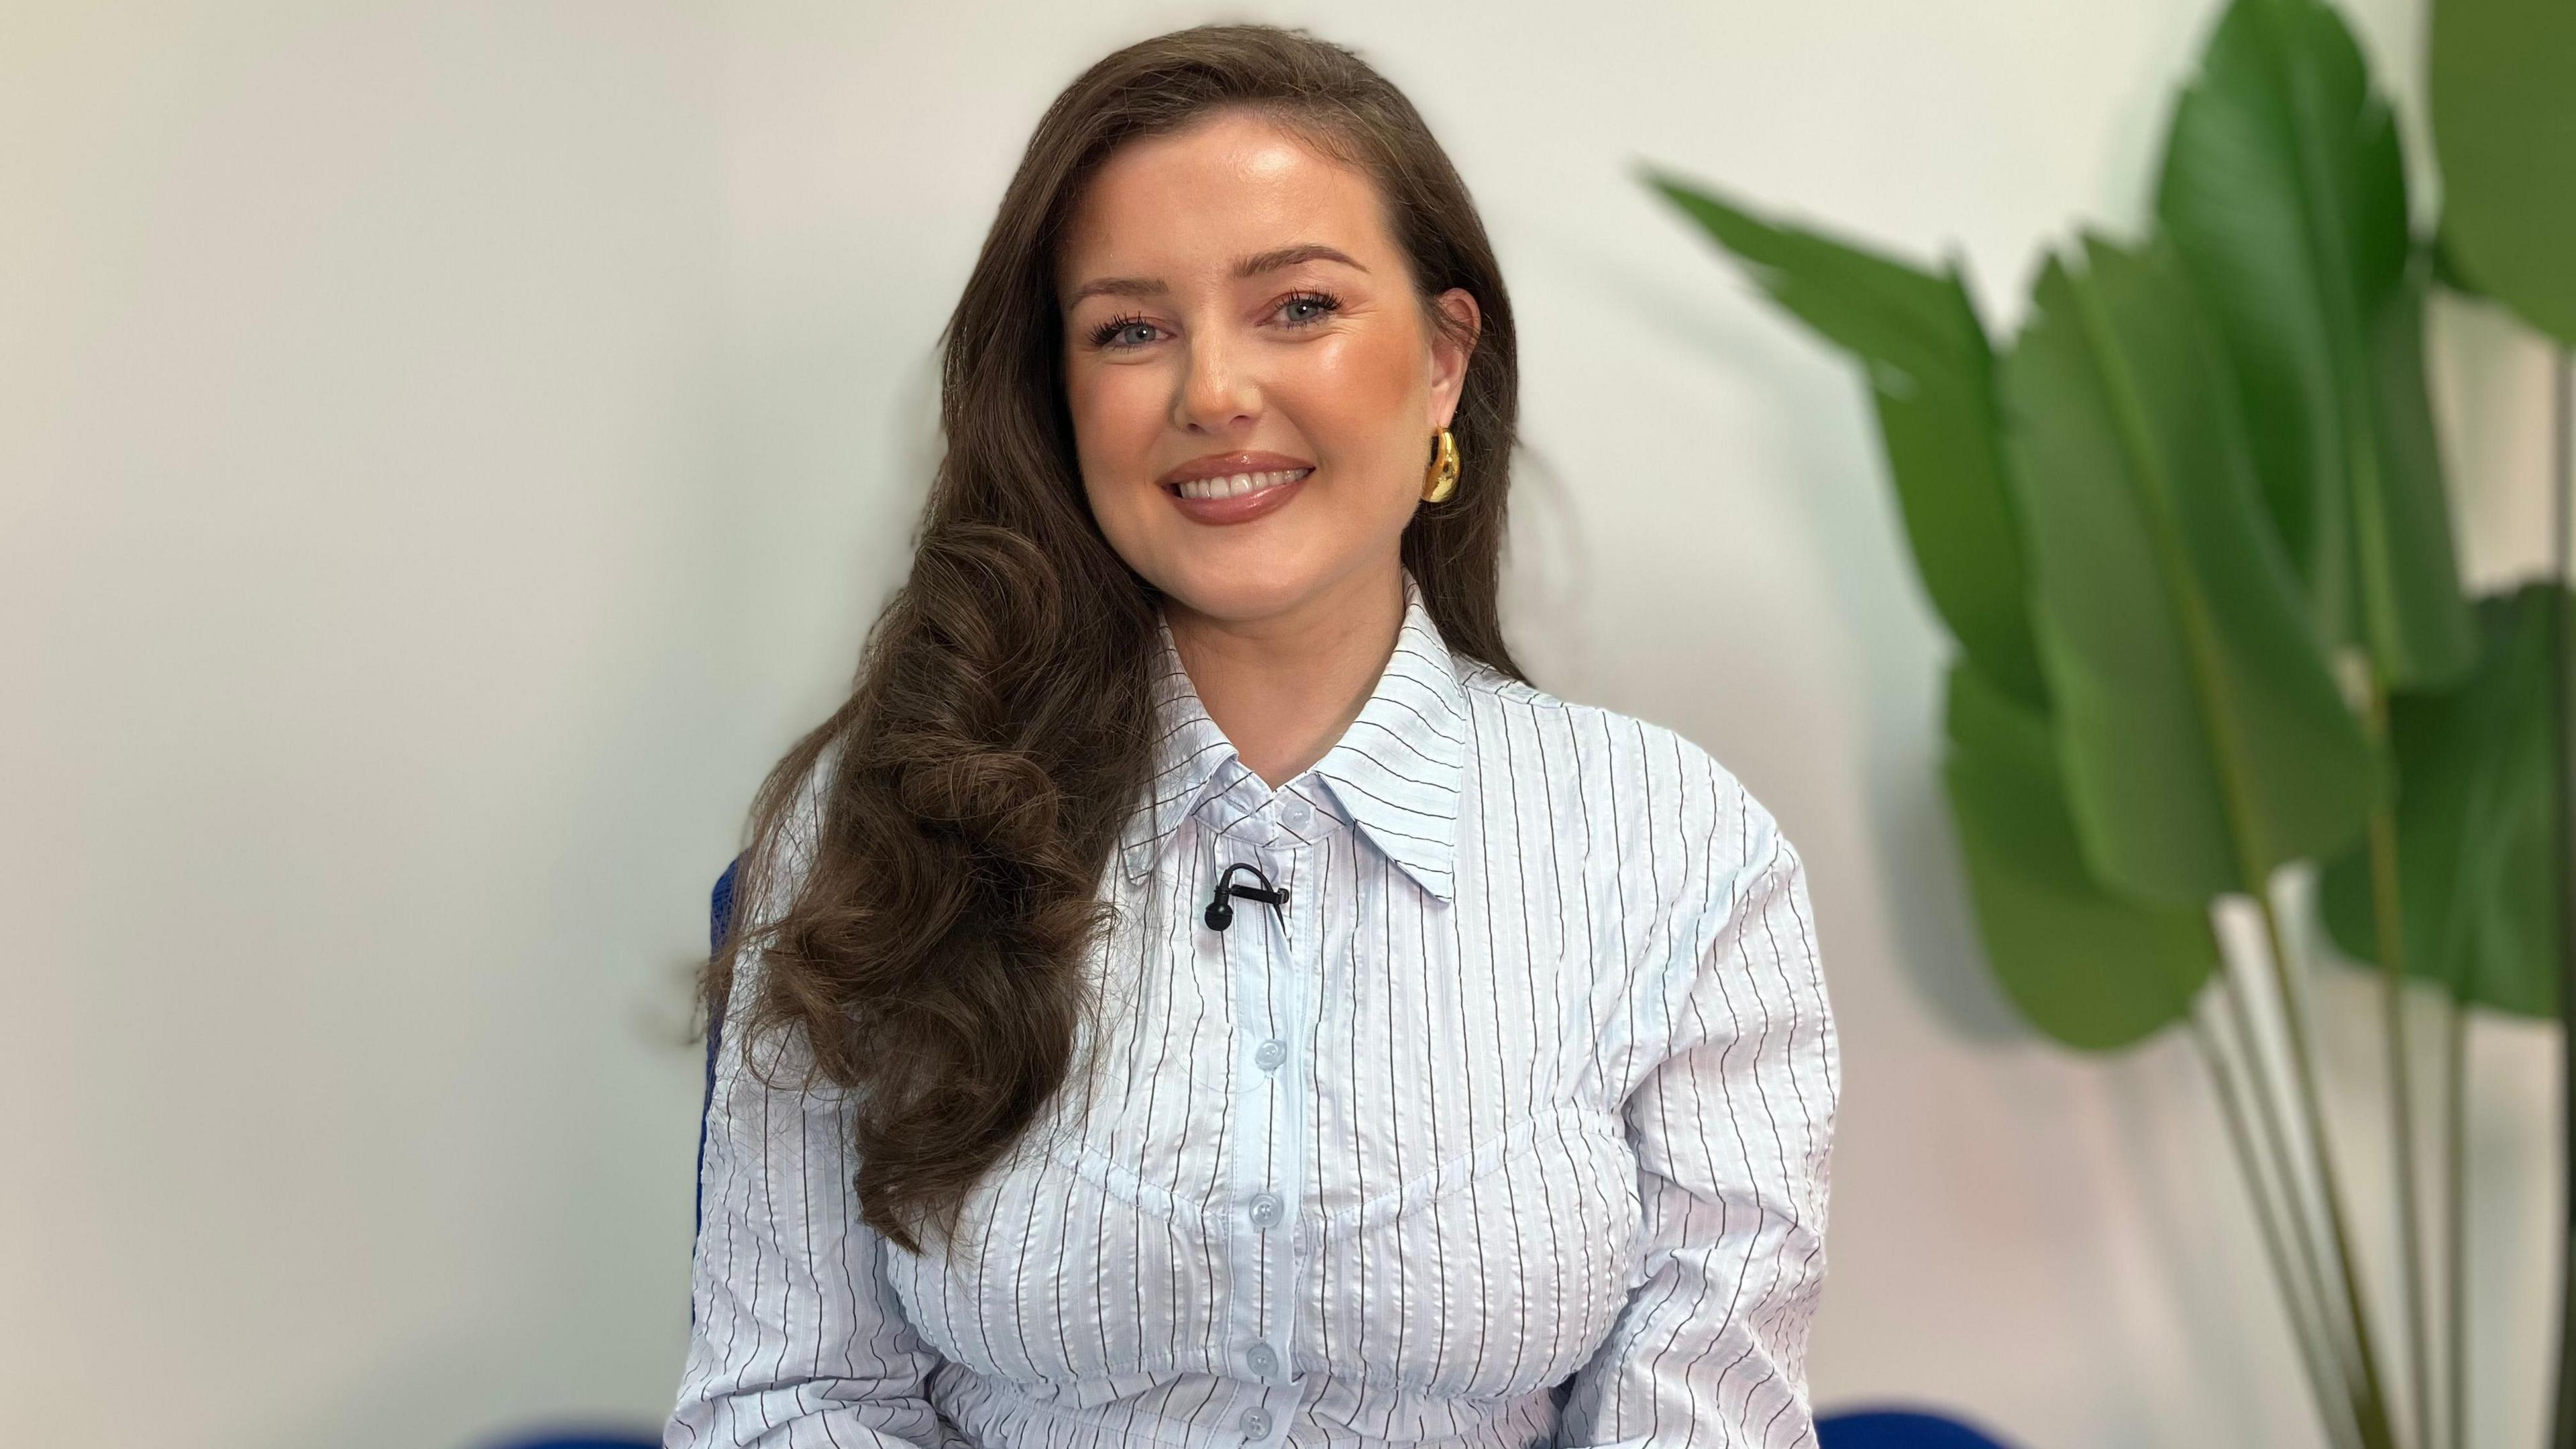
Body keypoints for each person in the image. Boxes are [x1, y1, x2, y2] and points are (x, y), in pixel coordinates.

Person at [667, 21, 1837, 1449]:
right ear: (1059, 394)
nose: (1212, 392)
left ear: (1443, 364)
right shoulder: (877, 824)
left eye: (1297, 308)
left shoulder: (1680, 851)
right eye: (1131, 329)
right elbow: (788, 1401)